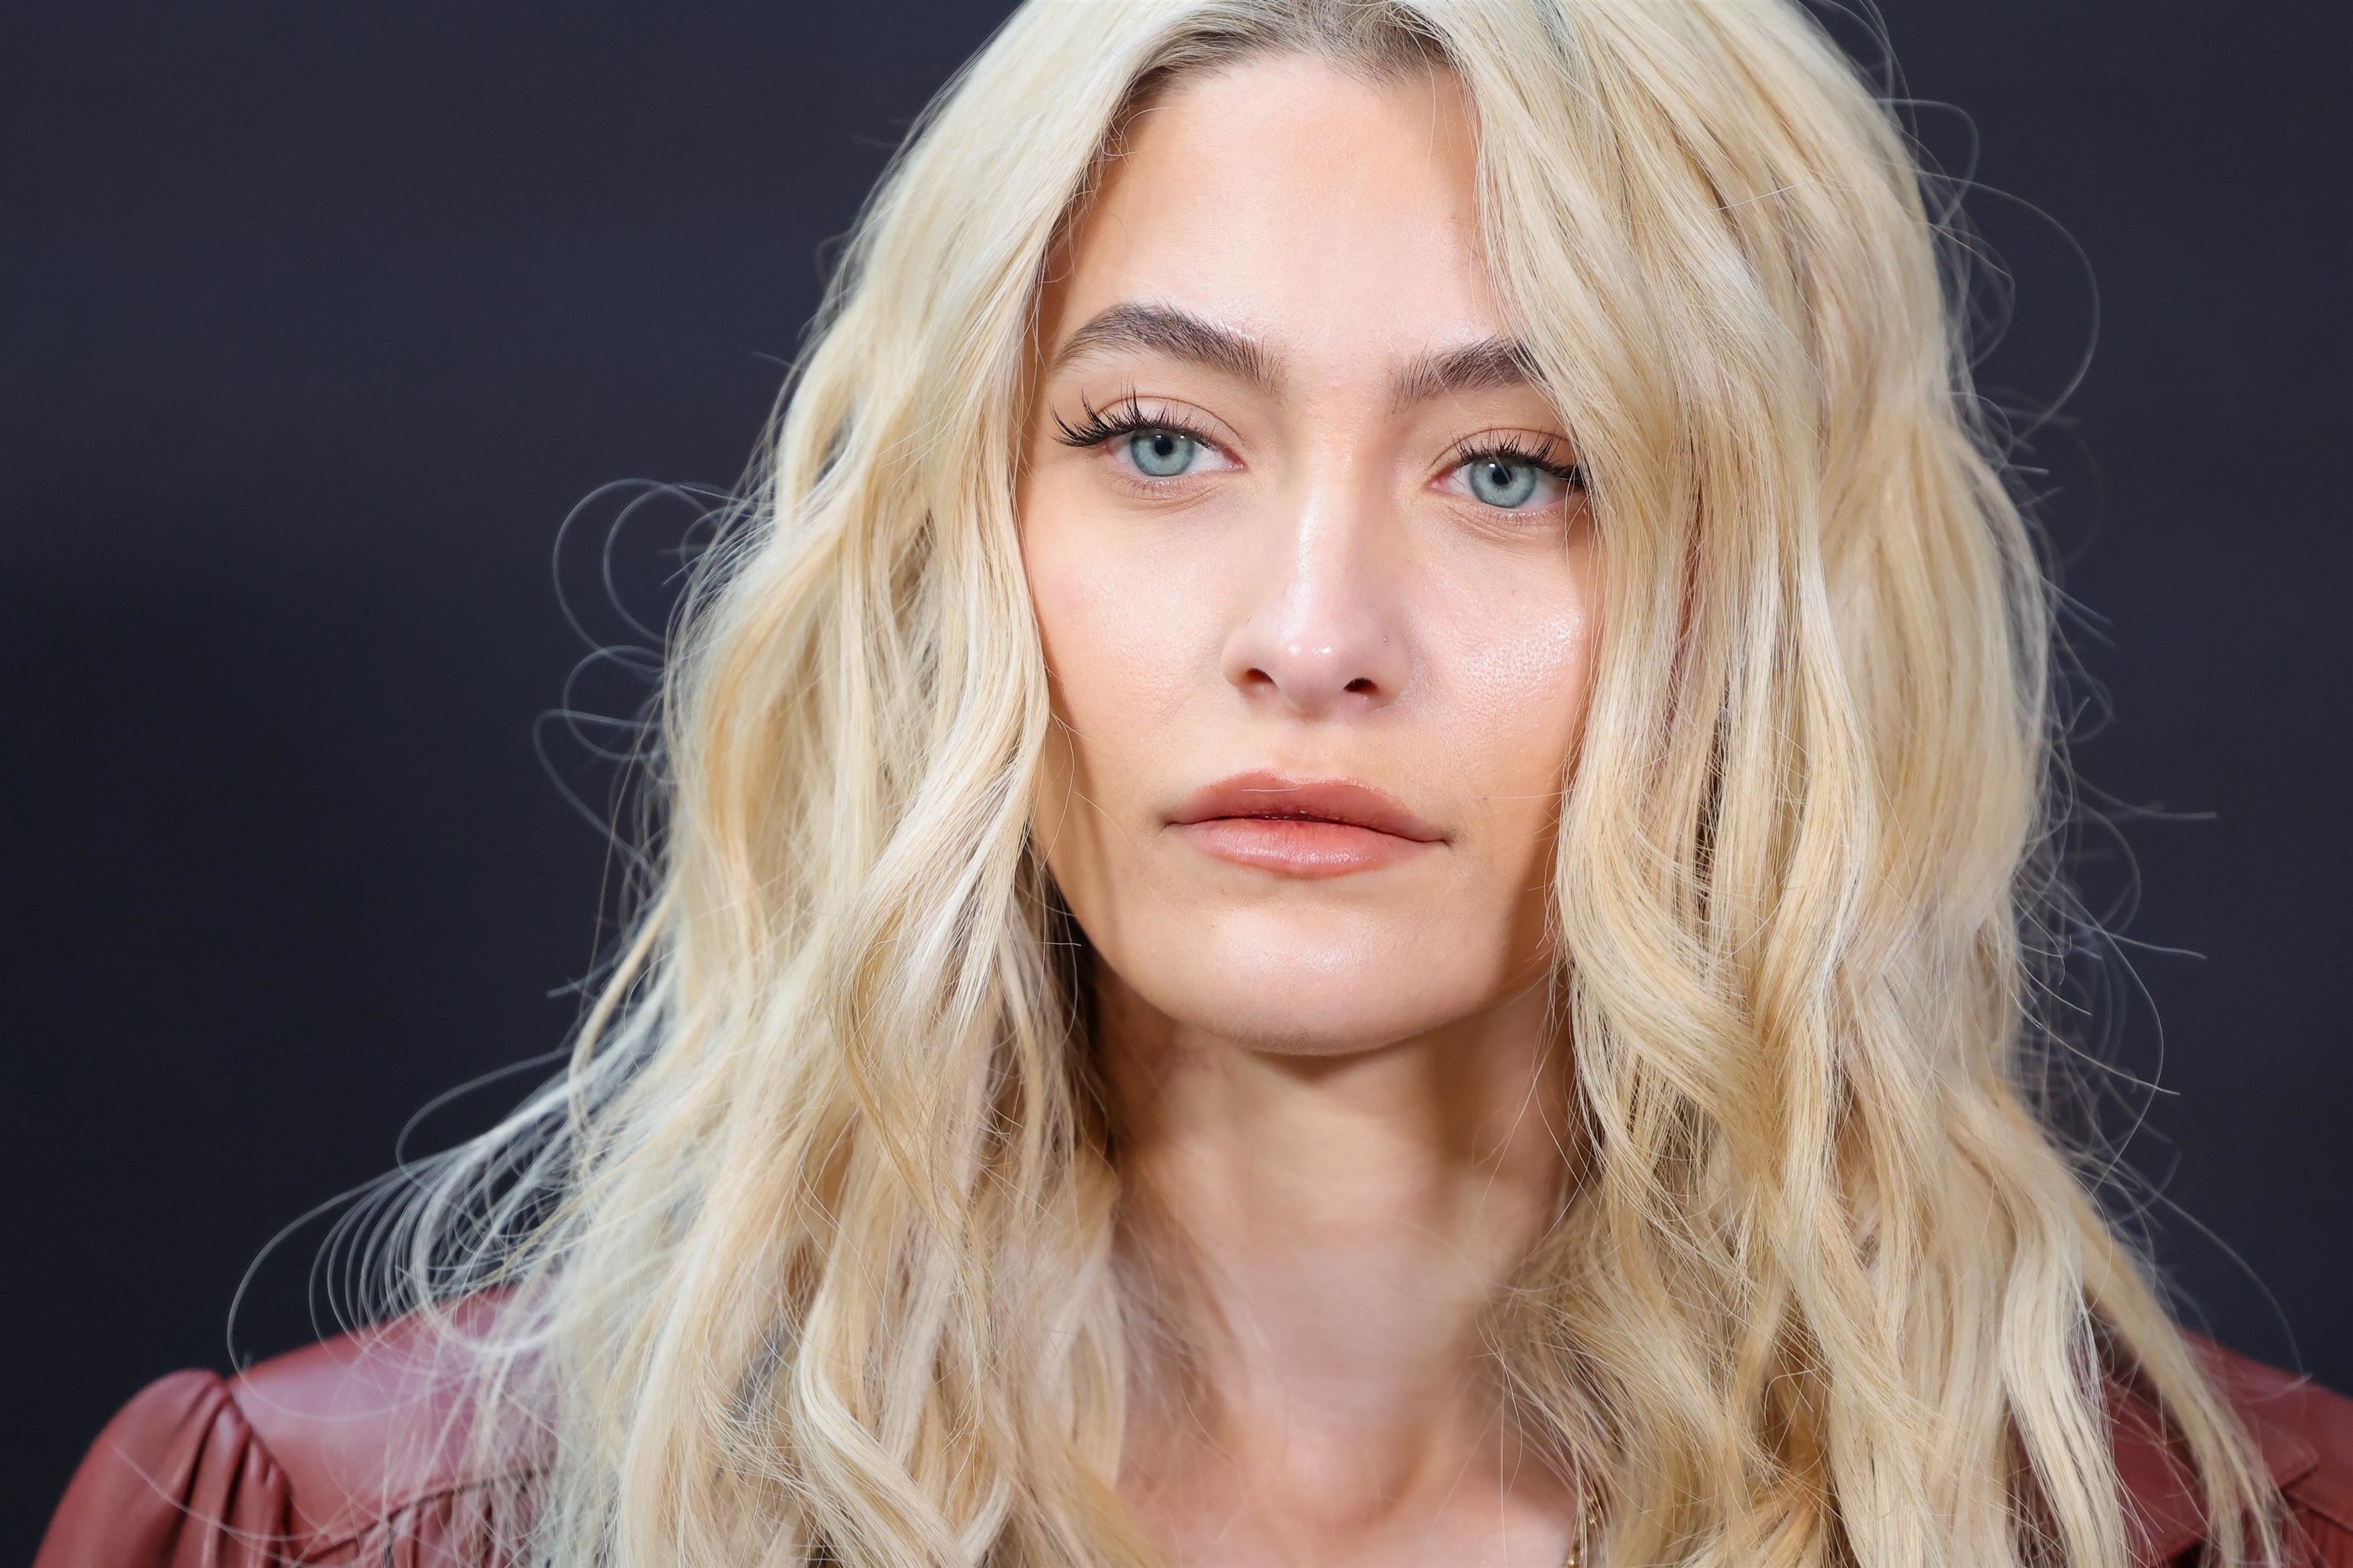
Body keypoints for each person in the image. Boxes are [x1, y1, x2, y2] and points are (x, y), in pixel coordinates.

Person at [37, 1, 2353, 1564]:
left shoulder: (2225, 1533)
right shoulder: (356, 1533)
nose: (1312, 632)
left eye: (1519, 467)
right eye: (1158, 440)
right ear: (961, 537)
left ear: (1775, 610)